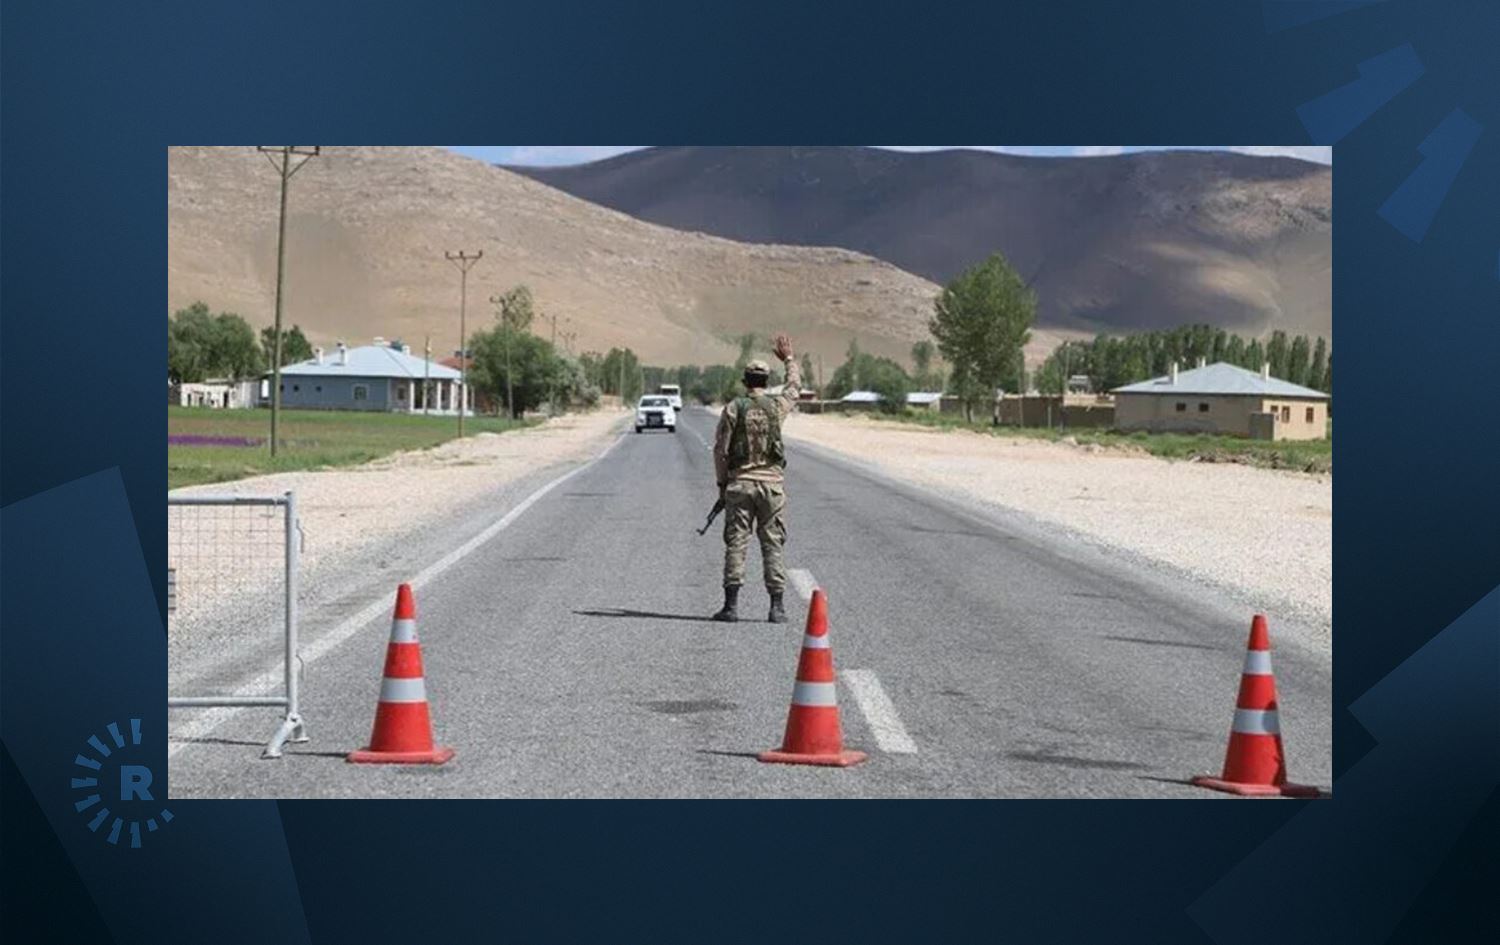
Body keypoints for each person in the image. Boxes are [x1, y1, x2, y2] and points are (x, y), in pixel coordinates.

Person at [711, 333, 800, 623]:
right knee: (772, 543)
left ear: (745, 381)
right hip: (772, 487)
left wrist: (722, 485)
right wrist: (789, 359)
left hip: (740, 486)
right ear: (766, 380)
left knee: (737, 543)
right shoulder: (777, 406)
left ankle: (731, 607)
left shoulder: (733, 408)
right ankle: (777, 608)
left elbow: (720, 451)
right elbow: (794, 388)